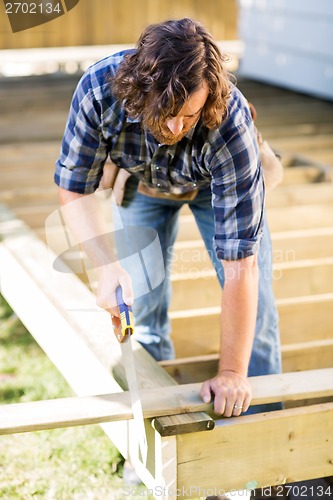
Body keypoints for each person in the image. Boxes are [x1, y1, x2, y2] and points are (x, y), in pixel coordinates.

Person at [55, 17, 282, 418]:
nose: (177, 127)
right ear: (141, 91)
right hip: (143, 180)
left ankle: (263, 431)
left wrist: (230, 371)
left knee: (258, 313)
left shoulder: (229, 123)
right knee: (143, 307)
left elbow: (240, 265)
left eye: (190, 116)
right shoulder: (98, 91)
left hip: (216, 182)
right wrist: (106, 268)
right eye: (168, 113)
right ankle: (153, 419)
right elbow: (75, 186)